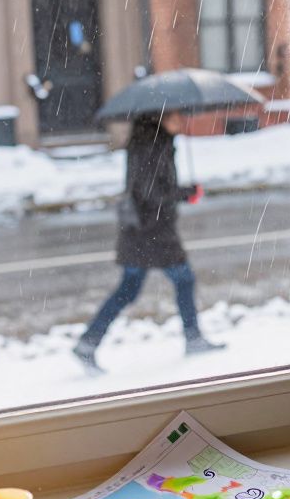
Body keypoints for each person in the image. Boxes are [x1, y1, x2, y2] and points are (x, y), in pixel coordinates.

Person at [73, 112, 223, 373]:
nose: (180, 119)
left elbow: (153, 187)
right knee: (182, 279)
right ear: (159, 118)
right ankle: (193, 337)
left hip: (142, 230)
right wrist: (187, 193)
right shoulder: (153, 145)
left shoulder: (148, 142)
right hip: (152, 232)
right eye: (175, 115)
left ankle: (88, 342)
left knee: (129, 290)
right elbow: (153, 192)